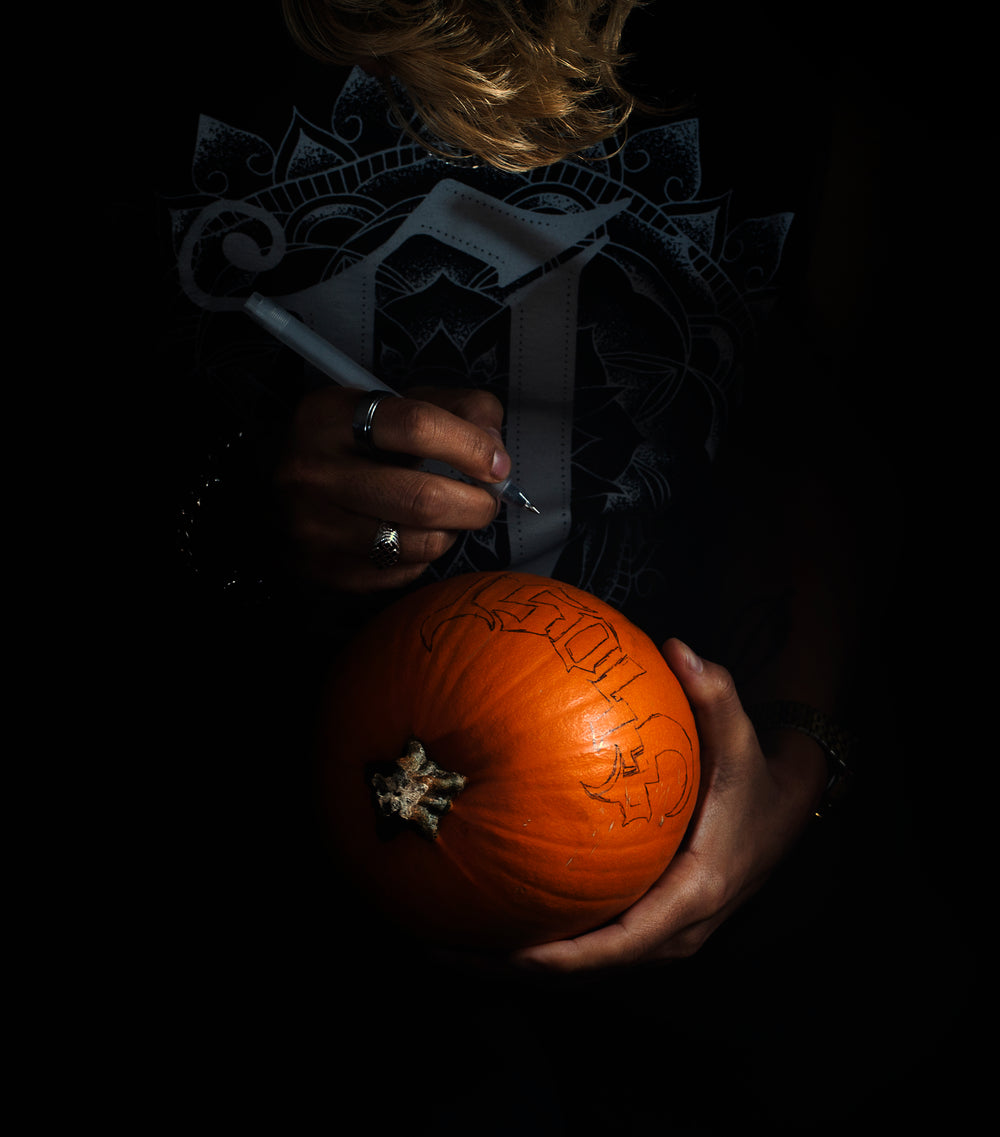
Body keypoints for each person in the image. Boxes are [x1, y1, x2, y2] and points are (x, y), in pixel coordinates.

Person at [133, 1, 960, 1128]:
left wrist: (799, 756)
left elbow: (844, 428)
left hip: (723, 975)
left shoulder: (822, 64)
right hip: (219, 917)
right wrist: (234, 494)